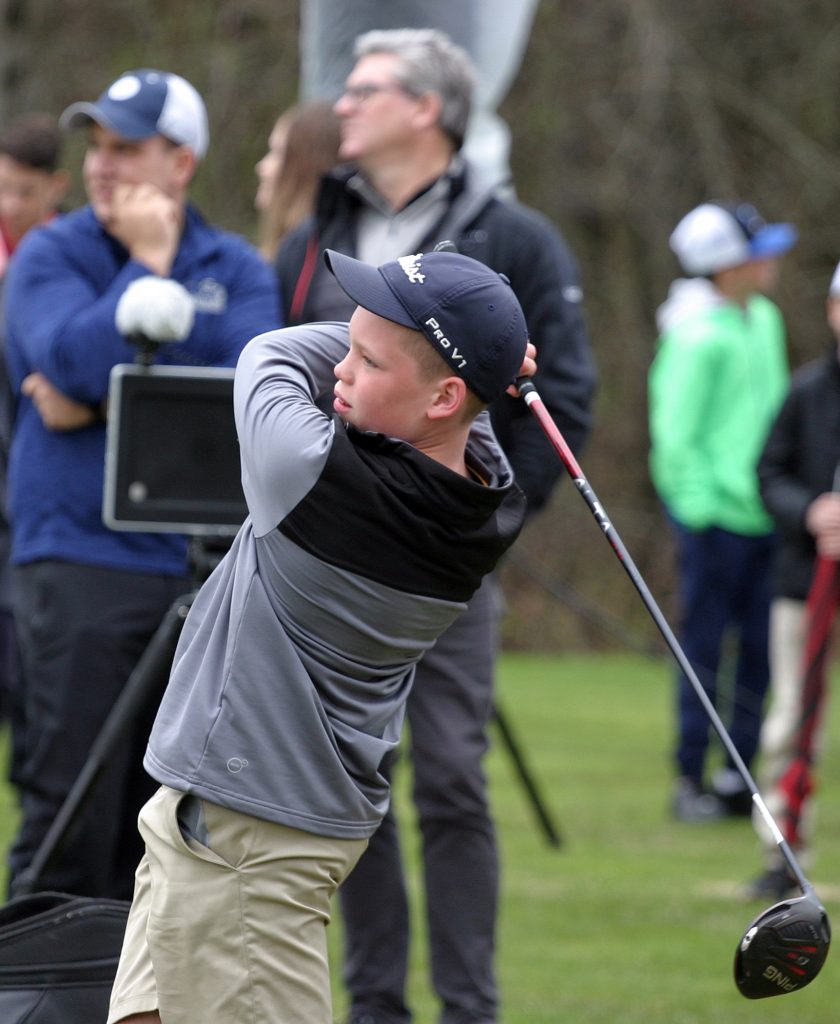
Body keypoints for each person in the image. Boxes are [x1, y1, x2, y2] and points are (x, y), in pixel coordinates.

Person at [106, 248, 535, 1024]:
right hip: (238, 818)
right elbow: (470, 417)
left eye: (365, 358)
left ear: (443, 398)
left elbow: (266, 352)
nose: (339, 365)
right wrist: (472, 356)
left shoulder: (305, 468)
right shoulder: (487, 506)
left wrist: (482, 362)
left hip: (244, 839)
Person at [276, 27, 595, 1024]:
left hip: (452, 571)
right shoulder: (306, 241)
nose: (343, 99)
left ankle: (469, 1009)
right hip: (326, 572)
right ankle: (374, 1006)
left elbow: (564, 404)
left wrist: (481, 530)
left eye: (365, 87)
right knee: (348, 788)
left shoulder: (518, 238)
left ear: (427, 109)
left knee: (452, 782)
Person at [3, 68, 280, 900]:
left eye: (127, 147)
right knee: (68, 808)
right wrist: (148, 272)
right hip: (78, 559)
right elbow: (59, 360)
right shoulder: (54, 250)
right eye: (97, 146)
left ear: (182, 162)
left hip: (199, 574)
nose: (102, 165)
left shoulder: (235, 265)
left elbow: (248, 398)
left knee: (168, 826)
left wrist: (103, 400)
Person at [648, 201, 796, 822]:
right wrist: (699, 511)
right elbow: (674, 436)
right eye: (757, 251)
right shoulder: (694, 334)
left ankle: (740, 778)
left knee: (762, 651)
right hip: (713, 521)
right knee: (703, 650)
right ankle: (690, 777)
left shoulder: (762, 318)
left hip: (769, 516)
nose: (771, 262)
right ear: (727, 265)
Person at [745, 260, 840, 900]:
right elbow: (769, 473)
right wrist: (810, 512)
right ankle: (784, 848)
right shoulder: (807, 392)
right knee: (793, 718)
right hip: (806, 583)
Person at [298, 0, 540, 193]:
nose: (343, 108)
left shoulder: (507, 237)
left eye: (364, 94)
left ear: (425, 108)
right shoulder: (317, 228)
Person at [0, 112, 69, 774]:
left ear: (56, 187)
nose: (9, 206)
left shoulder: (71, 266)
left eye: (23, 190)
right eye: (1, 188)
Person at [254, 100, 341, 262]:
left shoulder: (318, 270)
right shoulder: (263, 263)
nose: (262, 167)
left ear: (309, 167)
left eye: (278, 153)